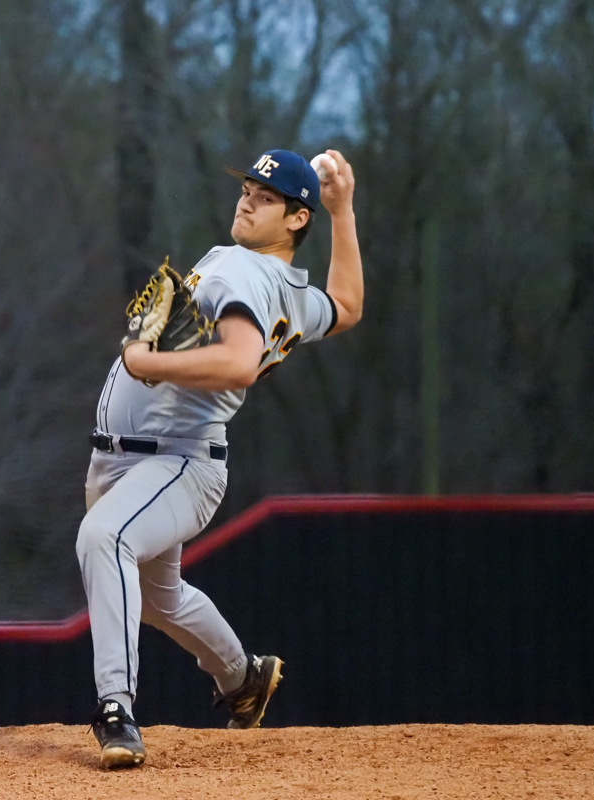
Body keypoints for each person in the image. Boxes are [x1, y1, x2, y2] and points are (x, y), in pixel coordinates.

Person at [77, 148, 363, 768]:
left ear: (296, 219)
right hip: (142, 460)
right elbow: (346, 307)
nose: (248, 201)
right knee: (159, 598)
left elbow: (237, 364)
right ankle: (243, 678)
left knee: (104, 538)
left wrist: (148, 361)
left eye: (267, 198)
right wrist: (343, 213)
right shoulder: (285, 286)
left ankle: (115, 710)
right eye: (248, 190)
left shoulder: (243, 271)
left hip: (174, 460)